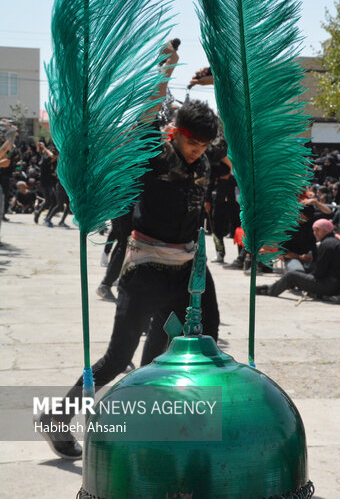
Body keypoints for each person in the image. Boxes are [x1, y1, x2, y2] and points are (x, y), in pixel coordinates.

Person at [38, 47, 221, 459]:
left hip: (189, 271)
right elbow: (147, 111)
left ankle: (146, 424)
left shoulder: (205, 156)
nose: (198, 151)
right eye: (192, 143)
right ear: (175, 133)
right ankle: (58, 416)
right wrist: (166, 70)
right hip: (147, 268)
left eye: (204, 145)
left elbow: (231, 122)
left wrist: (218, 80)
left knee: (190, 342)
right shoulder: (153, 152)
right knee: (117, 358)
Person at [256, 219, 340, 299]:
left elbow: (319, 273)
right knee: (299, 272)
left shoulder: (327, 244)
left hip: (330, 285)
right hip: (334, 283)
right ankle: (273, 287)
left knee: (291, 275)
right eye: (314, 230)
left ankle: (270, 290)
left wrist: (306, 279)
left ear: (325, 230)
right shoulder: (333, 241)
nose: (315, 233)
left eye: (317, 230)